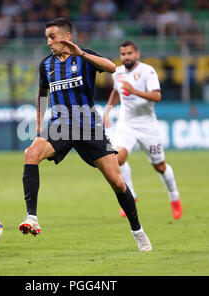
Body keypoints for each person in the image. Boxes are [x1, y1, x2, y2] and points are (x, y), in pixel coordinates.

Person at [19, 19, 152, 252]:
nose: (49, 42)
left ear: (66, 37)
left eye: (52, 37)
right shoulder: (46, 65)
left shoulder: (84, 57)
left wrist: (80, 52)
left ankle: (137, 231)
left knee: (117, 182)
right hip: (60, 126)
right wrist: (39, 131)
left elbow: (112, 68)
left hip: (89, 127)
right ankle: (32, 217)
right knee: (30, 154)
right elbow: (42, 96)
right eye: (47, 37)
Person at [103, 40, 183, 220]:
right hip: (127, 124)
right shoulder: (117, 73)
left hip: (147, 125)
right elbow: (117, 91)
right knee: (117, 159)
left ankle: (174, 197)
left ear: (137, 54)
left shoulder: (148, 71)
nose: (126, 57)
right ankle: (130, 195)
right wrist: (107, 111)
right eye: (123, 54)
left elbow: (157, 96)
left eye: (130, 53)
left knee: (159, 166)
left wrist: (134, 91)